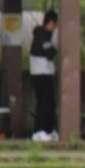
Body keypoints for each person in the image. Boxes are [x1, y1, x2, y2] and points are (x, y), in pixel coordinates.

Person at [30, 10, 58, 141]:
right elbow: (50, 53)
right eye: (55, 25)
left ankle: (48, 130)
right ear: (51, 22)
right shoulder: (42, 35)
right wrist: (54, 50)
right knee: (43, 103)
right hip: (41, 75)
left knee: (50, 103)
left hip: (46, 73)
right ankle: (39, 131)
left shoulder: (45, 35)